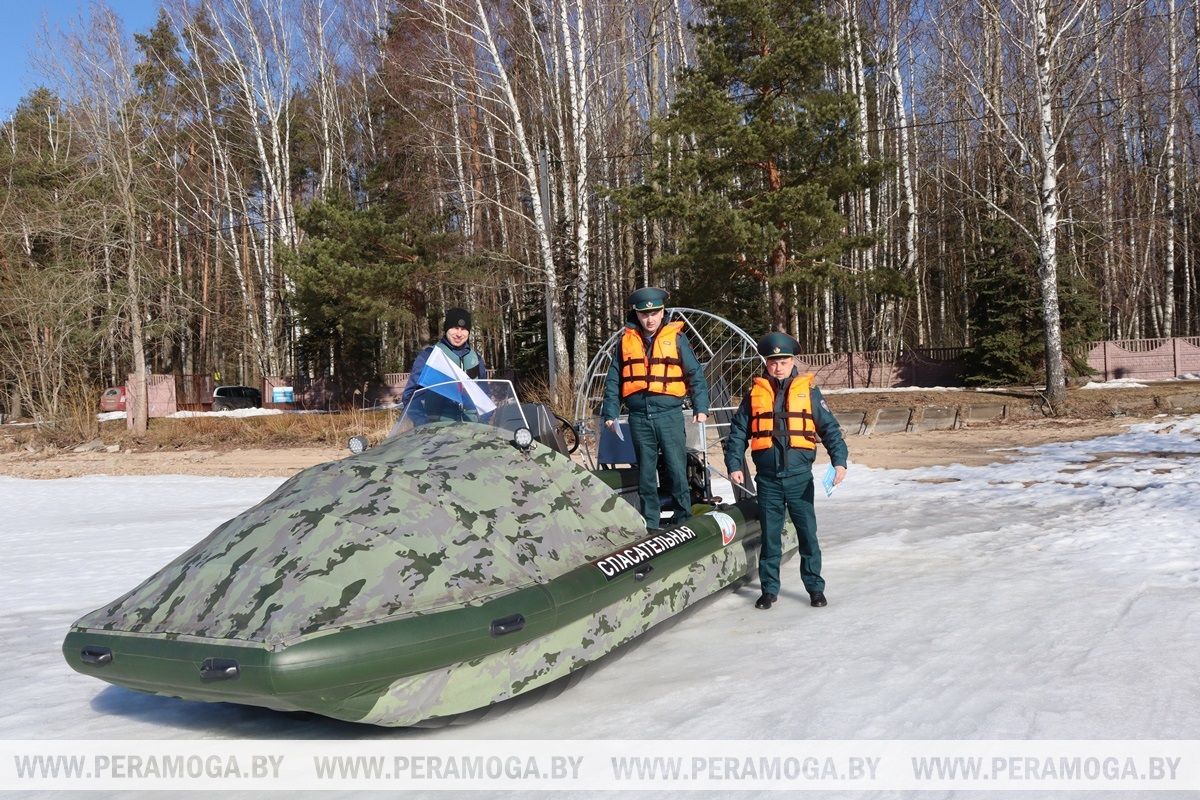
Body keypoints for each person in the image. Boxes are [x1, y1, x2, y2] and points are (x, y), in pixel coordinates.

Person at [723, 332, 847, 610]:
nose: (778, 366)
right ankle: (769, 590)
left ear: (793, 361)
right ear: (766, 363)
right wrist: (734, 464)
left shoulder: (810, 393)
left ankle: (815, 587)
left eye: (783, 360)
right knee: (770, 537)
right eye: (772, 361)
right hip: (767, 479)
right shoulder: (754, 394)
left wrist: (840, 461)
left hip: (799, 478)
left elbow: (830, 430)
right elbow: (738, 432)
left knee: (807, 535)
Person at [600, 287, 709, 529]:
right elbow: (614, 380)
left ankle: (684, 517)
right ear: (637, 315)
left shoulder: (677, 339)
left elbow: (695, 375)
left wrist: (701, 406)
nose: (649, 319)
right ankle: (651, 521)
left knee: (677, 469)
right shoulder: (625, 343)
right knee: (646, 474)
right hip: (639, 417)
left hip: (669, 415)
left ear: (662, 313)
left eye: (654, 313)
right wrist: (610, 412)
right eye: (644, 314)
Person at [401, 307, 488, 422]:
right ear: (446, 329)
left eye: (463, 329)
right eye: (455, 328)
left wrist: (483, 423)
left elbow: (485, 395)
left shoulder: (476, 359)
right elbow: (410, 396)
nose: (459, 334)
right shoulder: (429, 356)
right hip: (438, 430)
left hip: (471, 429)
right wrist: (422, 423)